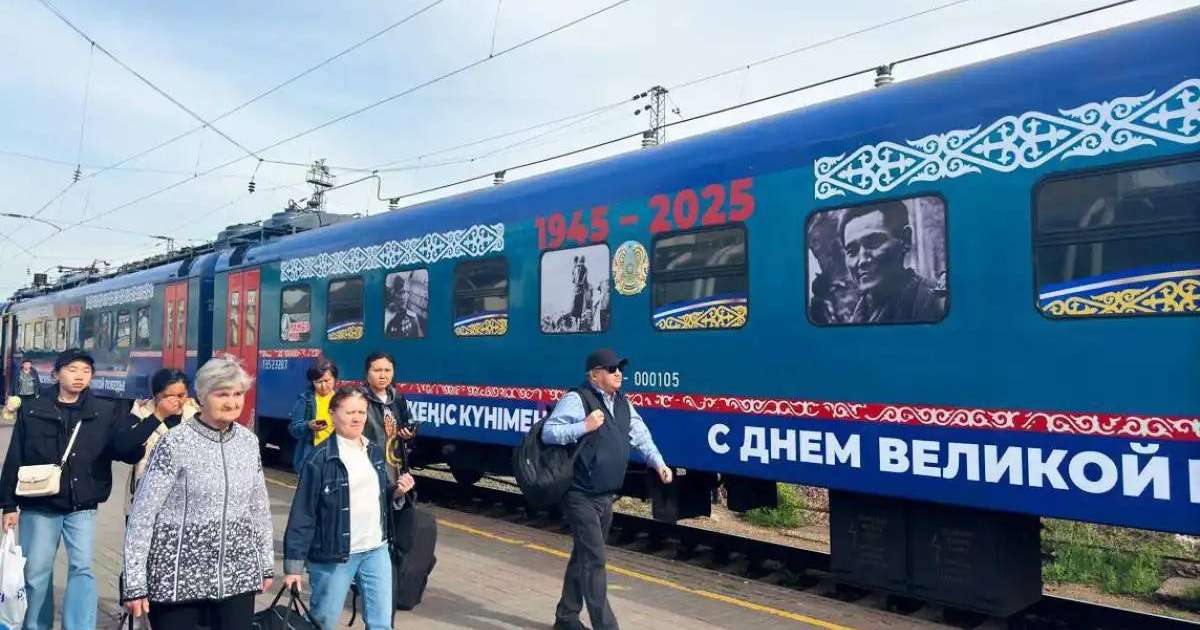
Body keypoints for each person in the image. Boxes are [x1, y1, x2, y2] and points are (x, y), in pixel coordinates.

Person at [122, 358, 274, 629]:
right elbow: (143, 514)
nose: (232, 402)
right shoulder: (175, 442)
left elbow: (259, 507)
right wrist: (135, 583)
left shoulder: (248, 442)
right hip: (177, 577)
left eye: (238, 394)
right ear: (202, 396)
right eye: (222, 394)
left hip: (236, 575)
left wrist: (265, 562)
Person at [0, 348, 142, 630]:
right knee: (37, 573)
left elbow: (123, 450)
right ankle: (36, 625)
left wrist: (149, 422)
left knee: (83, 568)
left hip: (83, 504)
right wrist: (7, 505)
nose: (79, 377)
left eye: (86, 371)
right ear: (56, 373)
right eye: (73, 370)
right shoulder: (33, 408)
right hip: (40, 503)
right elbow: (15, 456)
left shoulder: (103, 410)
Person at [542, 348, 673, 630]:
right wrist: (584, 426)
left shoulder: (623, 404)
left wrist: (659, 463)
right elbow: (549, 432)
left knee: (583, 556)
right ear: (594, 375)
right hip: (579, 495)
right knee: (595, 560)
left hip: (605, 497)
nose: (618, 374)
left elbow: (640, 435)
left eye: (620, 369)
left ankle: (565, 618)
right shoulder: (577, 399)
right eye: (611, 369)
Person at [282, 386, 416, 630]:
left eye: (362, 412)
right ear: (333, 413)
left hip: (376, 550)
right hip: (335, 555)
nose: (357, 418)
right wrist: (293, 567)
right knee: (323, 622)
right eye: (350, 412)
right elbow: (303, 514)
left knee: (382, 624)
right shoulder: (320, 459)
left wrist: (396, 491)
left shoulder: (374, 452)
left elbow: (379, 495)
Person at [839, 202, 945, 323]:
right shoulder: (861, 313)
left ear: (906, 240)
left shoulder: (935, 305)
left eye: (874, 243)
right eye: (852, 251)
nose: (862, 260)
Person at [114, 368, 197, 509]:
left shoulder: (196, 416)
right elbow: (123, 448)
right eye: (168, 396)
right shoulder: (140, 413)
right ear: (155, 395)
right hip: (146, 496)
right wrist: (158, 415)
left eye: (181, 395)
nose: (176, 401)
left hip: (186, 499)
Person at [287, 359, 338, 472]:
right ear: (312, 382)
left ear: (334, 379)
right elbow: (294, 428)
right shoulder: (305, 400)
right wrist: (308, 425)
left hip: (335, 454)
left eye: (327, 380)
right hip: (311, 455)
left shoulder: (341, 400)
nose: (323, 386)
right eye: (318, 382)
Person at [363, 352, 415, 447]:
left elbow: (407, 426)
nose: (383, 376)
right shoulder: (359, 399)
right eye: (377, 370)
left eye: (387, 370)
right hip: (367, 459)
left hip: (395, 459)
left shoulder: (398, 398)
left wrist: (409, 435)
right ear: (367, 373)